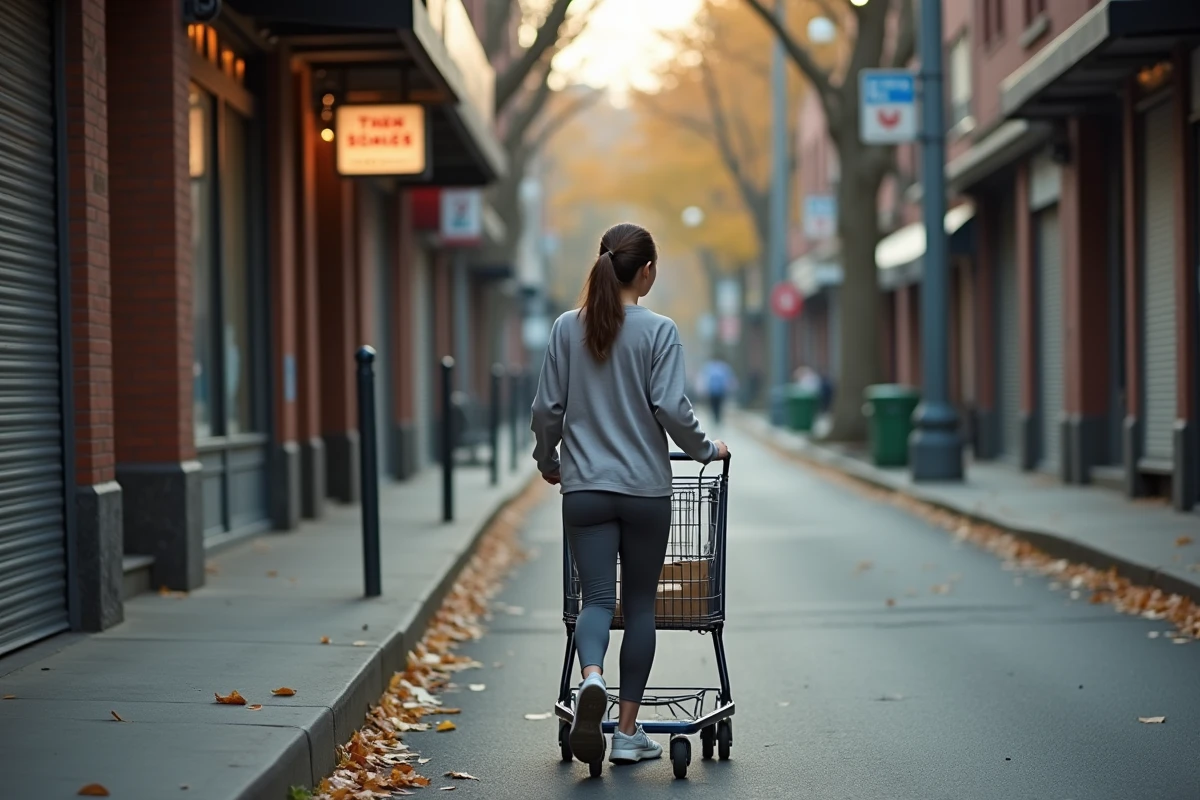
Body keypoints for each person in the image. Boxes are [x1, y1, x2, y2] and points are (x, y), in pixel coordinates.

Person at [530, 222, 729, 770]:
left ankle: (590, 678)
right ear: (644, 272)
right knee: (640, 605)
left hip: (586, 491)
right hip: (644, 491)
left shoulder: (566, 328)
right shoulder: (659, 331)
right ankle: (624, 731)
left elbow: (547, 409)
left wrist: (549, 462)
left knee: (595, 600)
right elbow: (670, 406)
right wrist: (707, 449)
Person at [696, 357, 736, 424]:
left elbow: (704, 379)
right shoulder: (724, 367)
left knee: (713, 405)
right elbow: (728, 379)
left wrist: (703, 390)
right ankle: (717, 417)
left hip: (712, 391)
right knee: (719, 404)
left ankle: (715, 417)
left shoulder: (709, 367)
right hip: (720, 391)